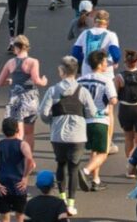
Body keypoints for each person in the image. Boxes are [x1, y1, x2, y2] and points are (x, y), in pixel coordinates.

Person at [38, 56, 96, 217]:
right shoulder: (82, 91)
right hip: (78, 136)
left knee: (60, 165)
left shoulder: (53, 90)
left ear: (62, 72)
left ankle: (61, 199)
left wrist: (52, 120)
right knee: (74, 168)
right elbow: (92, 112)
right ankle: (71, 204)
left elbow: (43, 113)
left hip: (58, 135)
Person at [0, 35, 48, 154]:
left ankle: (17, 157)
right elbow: (36, 81)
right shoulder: (33, 62)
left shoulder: (10, 62)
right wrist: (44, 81)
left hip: (15, 102)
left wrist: (9, 81)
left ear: (16, 47)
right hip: (30, 100)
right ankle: (28, 158)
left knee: (18, 133)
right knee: (29, 132)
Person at [76, 49, 118, 191]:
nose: (107, 64)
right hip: (100, 120)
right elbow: (113, 100)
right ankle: (86, 171)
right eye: (105, 61)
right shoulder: (106, 80)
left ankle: (96, 180)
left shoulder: (80, 80)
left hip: (84, 120)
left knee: (94, 150)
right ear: (100, 64)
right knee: (103, 152)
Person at [0, 117, 36, 222]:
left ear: (2, 131)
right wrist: (25, 177)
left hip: (3, 185)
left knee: (4, 217)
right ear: (17, 130)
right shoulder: (22, 144)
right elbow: (30, 161)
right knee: (19, 217)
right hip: (19, 185)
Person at [71, 8, 121, 79]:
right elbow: (116, 55)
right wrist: (115, 62)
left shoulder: (84, 33)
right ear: (107, 22)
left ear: (94, 21)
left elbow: (75, 52)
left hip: (87, 72)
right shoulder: (111, 35)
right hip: (105, 74)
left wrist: (84, 59)